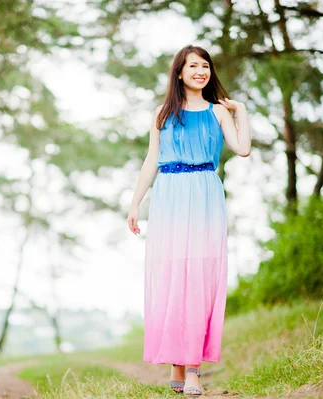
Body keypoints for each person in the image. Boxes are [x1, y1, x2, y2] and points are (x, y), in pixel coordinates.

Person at [126, 45, 251, 396]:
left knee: (198, 278)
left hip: (205, 194)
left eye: (205, 65)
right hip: (168, 197)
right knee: (172, 278)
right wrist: (136, 203)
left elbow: (242, 148)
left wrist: (241, 111)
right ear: (179, 72)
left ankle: (193, 368)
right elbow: (151, 161)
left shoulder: (217, 112)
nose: (200, 70)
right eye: (192, 65)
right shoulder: (162, 114)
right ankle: (176, 363)